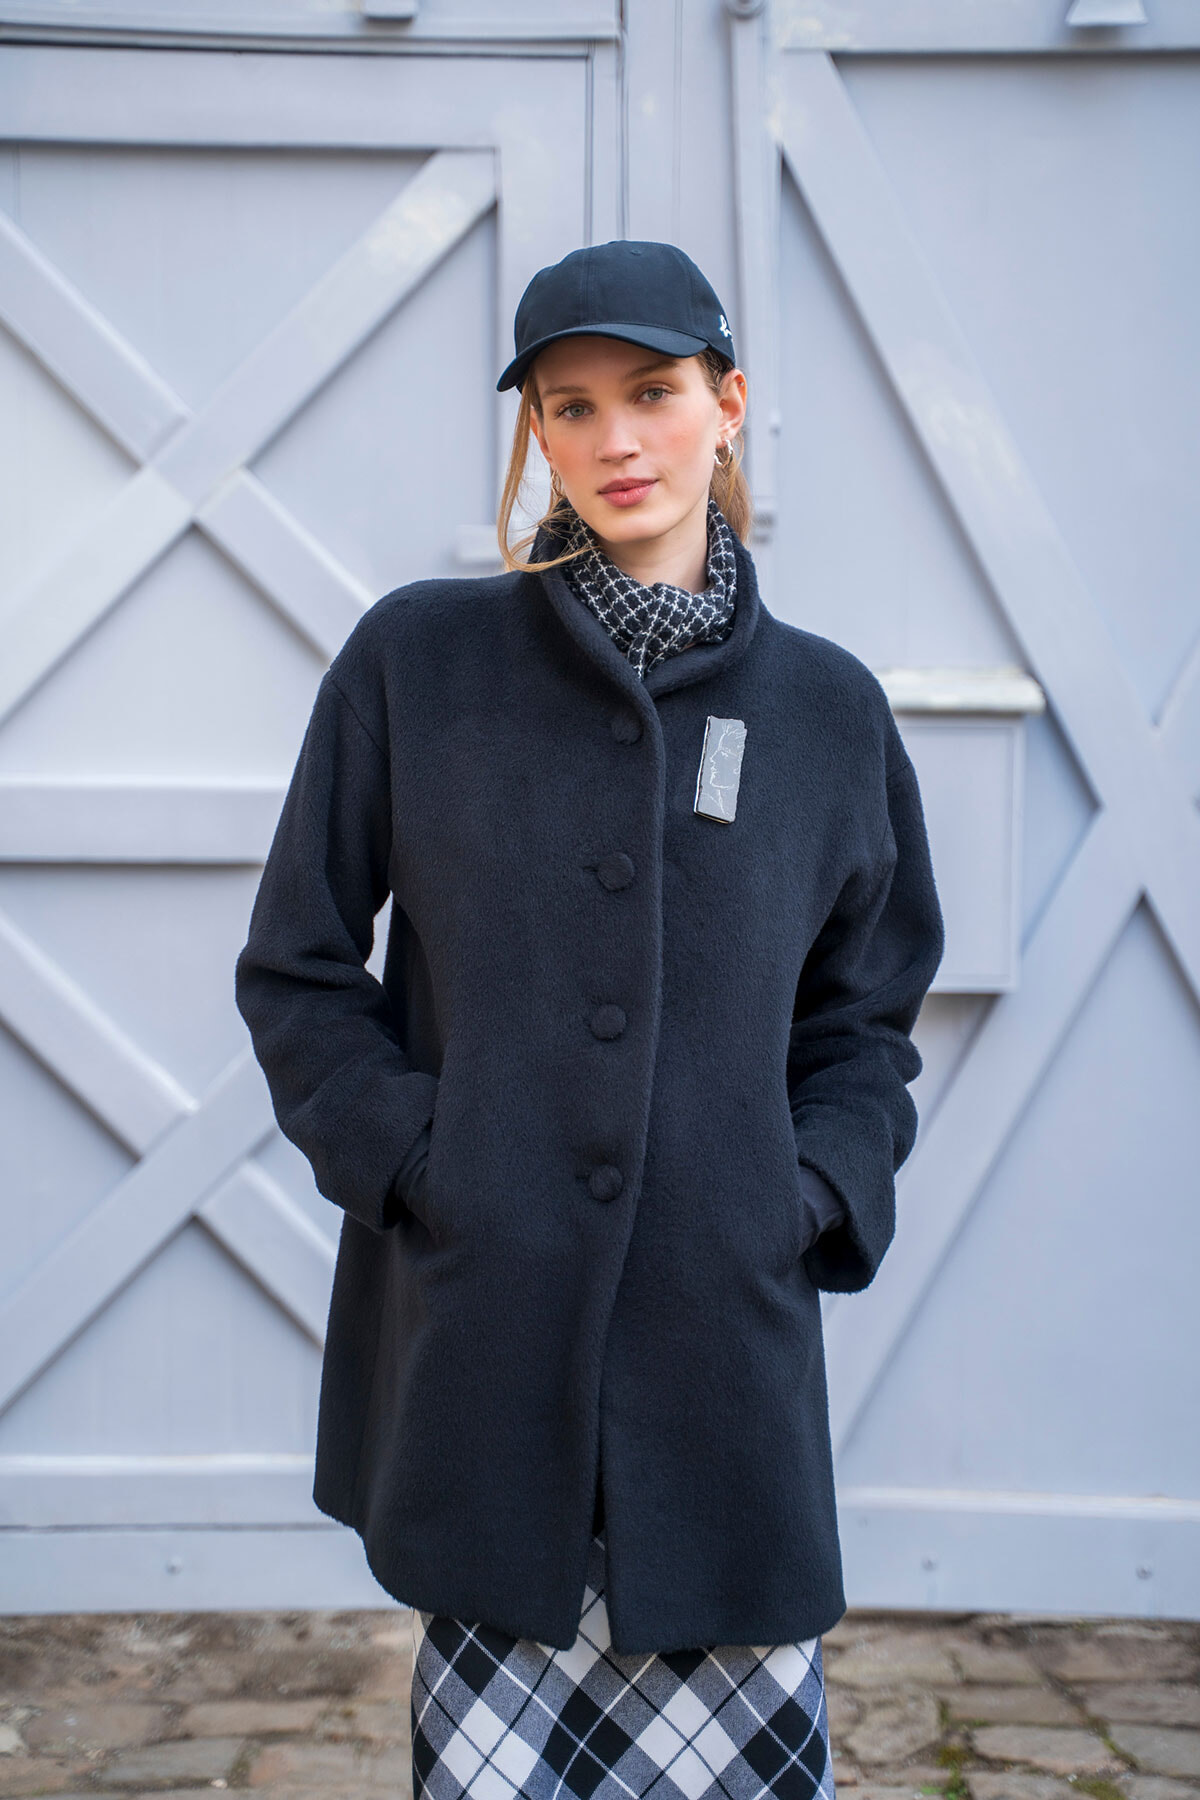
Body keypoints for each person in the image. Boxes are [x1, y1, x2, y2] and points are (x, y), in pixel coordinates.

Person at [234, 238, 945, 1800]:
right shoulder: (416, 664)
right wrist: (429, 1162)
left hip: (722, 1353)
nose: (617, 439)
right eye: (570, 406)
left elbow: (869, 1017)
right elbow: (296, 968)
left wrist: (807, 1193)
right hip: (491, 1336)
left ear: (728, 404)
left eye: (653, 393)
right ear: (535, 437)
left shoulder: (827, 712)